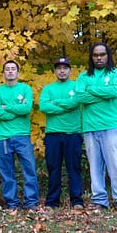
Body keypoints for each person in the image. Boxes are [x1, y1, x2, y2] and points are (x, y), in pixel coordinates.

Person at [76, 43, 117, 211]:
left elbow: (114, 92)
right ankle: (99, 200)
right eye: (95, 55)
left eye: (102, 54)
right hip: (90, 127)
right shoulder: (83, 76)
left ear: (108, 55)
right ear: (91, 57)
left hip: (111, 125)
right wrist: (102, 93)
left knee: (116, 164)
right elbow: (80, 97)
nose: (99, 57)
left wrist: (91, 90)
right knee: (95, 167)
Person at [0, 60, 39, 211]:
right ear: (3, 73)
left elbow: (26, 109)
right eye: (7, 69)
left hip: (22, 136)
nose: (10, 71)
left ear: (18, 73)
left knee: (29, 169)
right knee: (7, 173)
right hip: (3, 138)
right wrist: (15, 109)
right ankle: (12, 203)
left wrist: (7, 107)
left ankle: (31, 202)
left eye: (13, 69)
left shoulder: (25, 89)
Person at [39, 58, 84, 210]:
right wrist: (65, 106)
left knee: (74, 168)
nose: (62, 71)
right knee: (53, 169)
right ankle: (52, 202)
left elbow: (75, 102)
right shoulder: (48, 89)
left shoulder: (77, 86)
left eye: (65, 68)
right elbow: (44, 106)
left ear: (70, 70)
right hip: (53, 134)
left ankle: (77, 201)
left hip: (73, 133)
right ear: (55, 71)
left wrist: (55, 103)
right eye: (59, 68)